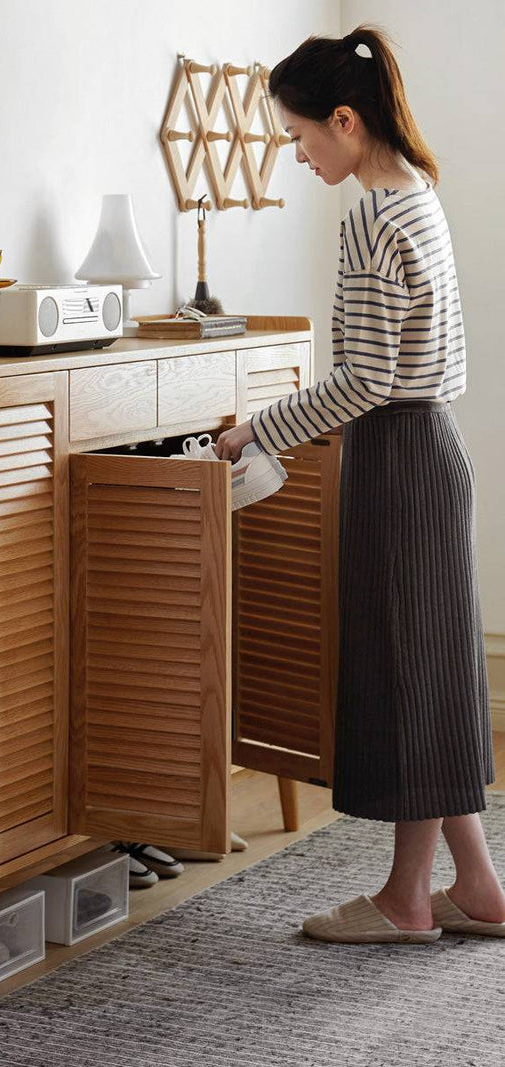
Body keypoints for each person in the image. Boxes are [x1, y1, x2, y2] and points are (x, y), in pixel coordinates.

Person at [214, 23, 505, 943]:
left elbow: (367, 380)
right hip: (430, 451)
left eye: (301, 136)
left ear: (346, 119)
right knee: (432, 671)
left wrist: (259, 428)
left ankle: (405, 900)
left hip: (398, 459)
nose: (298, 154)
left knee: (411, 676)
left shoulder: (374, 217)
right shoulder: (416, 194)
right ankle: (476, 885)